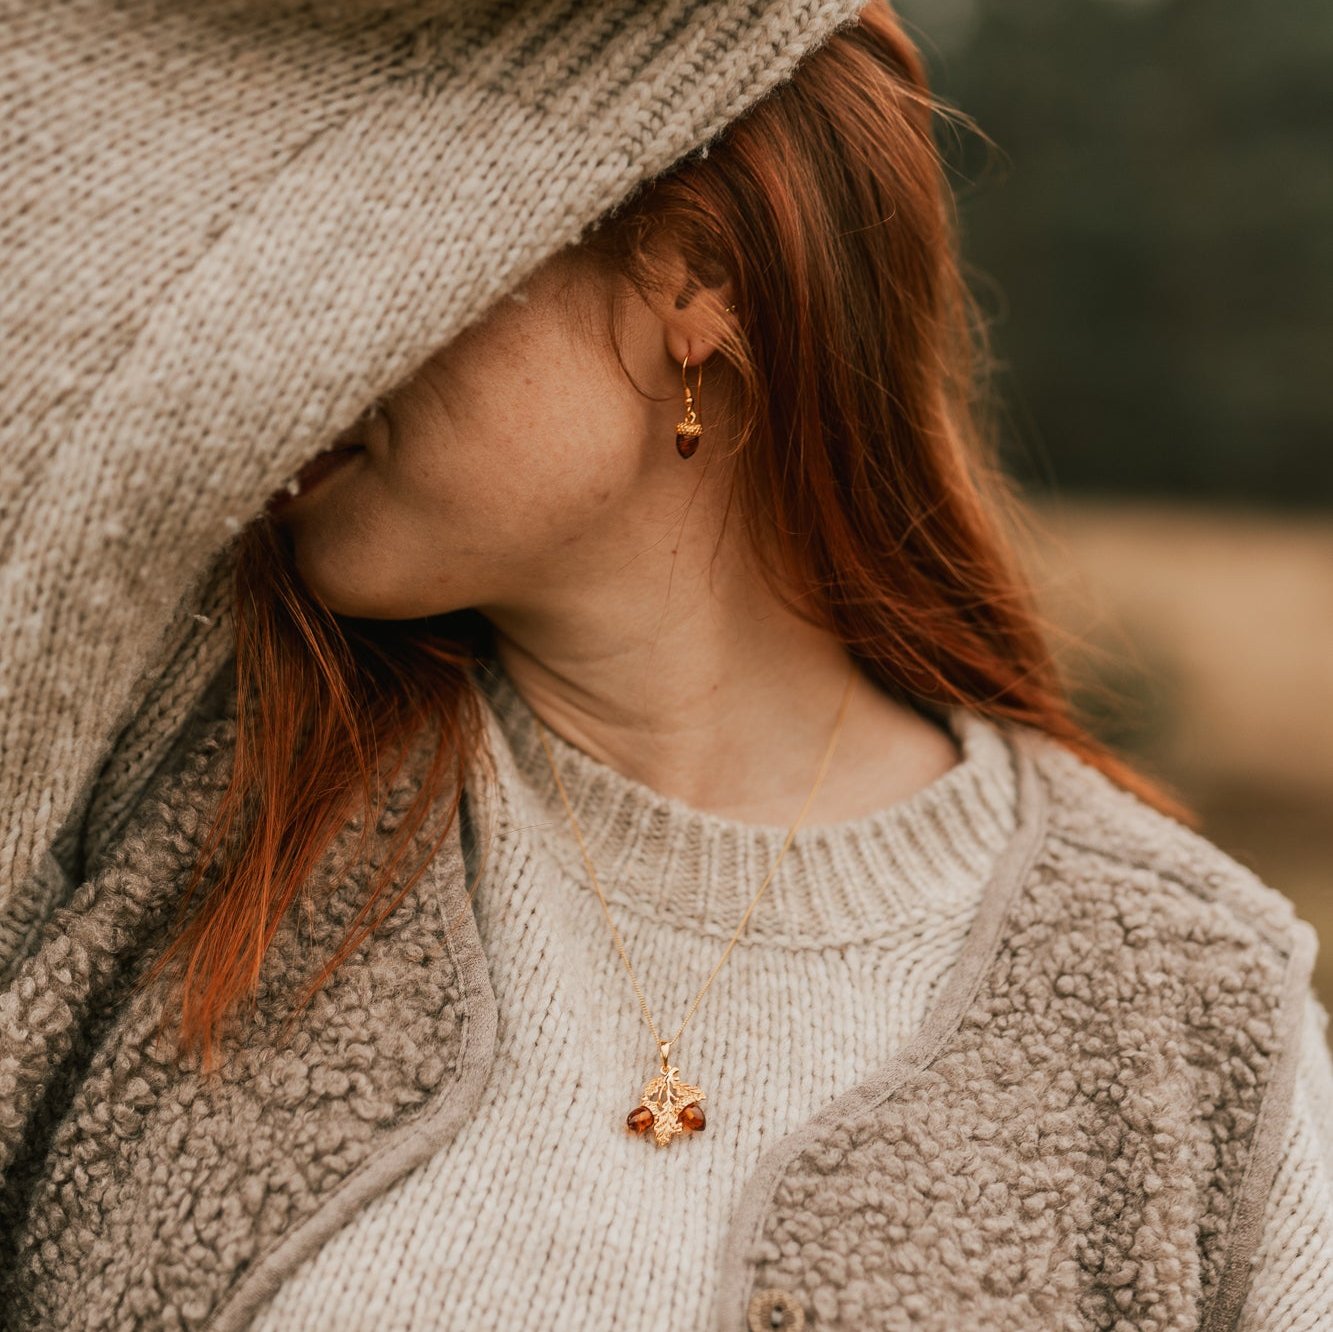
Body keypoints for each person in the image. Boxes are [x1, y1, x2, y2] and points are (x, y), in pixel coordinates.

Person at [2, 2, 1329, 1330]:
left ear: (690, 280)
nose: (288, 342)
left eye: (367, 246)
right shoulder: (186, 801)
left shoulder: (1185, 1004)